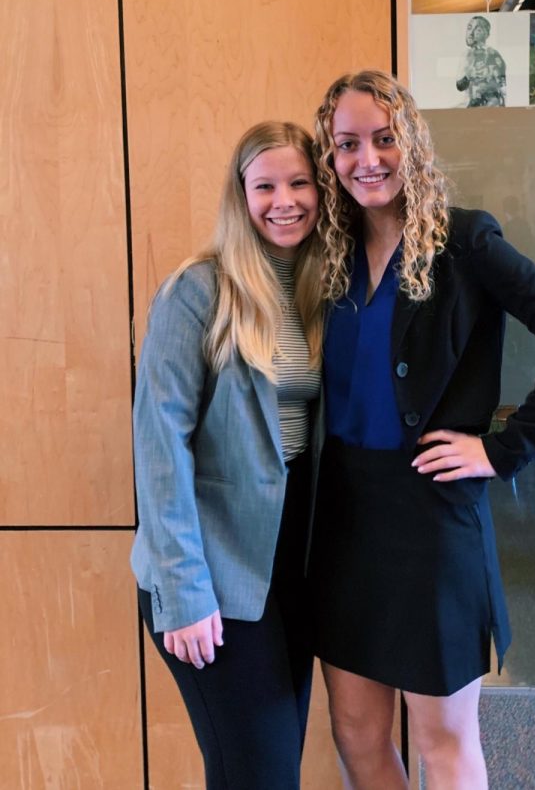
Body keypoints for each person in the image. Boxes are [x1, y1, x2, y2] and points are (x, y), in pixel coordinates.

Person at [307, 70, 535, 790]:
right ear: (329, 158)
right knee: (355, 734)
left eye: (384, 139)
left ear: (412, 142)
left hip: (430, 518)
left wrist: (503, 450)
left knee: (441, 739)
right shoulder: (326, 256)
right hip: (343, 518)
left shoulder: (463, 241)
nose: (366, 159)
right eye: (346, 145)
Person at [130, 121, 324, 789]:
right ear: (240, 197)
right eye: (264, 185)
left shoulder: (318, 288)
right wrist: (182, 593)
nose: (284, 200)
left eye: (299, 182)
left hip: (291, 570)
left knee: (271, 771)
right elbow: (159, 445)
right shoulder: (198, 290)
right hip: (212, 574)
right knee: (259, 777)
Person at [456, 15, 506, 107]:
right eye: (469, 28)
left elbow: (501, 85)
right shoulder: (466, 55)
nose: (471, 33)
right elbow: (459, 86)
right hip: (472, 106)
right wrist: (468, 75)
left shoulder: (493, 55)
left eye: (478, 30)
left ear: (486, 34)